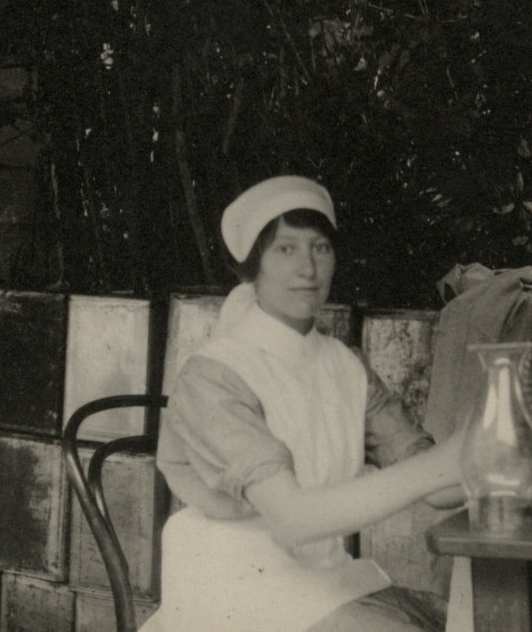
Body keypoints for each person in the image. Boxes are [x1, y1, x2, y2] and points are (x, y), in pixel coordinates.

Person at [143, 175, 465, 632]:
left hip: (321, 574)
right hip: (230, 584)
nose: (307, 269)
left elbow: (438, 484)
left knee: (450, 623)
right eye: (285, 249)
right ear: (254, 266)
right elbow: (293, 519)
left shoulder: (346, 368)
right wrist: (452, 461)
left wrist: (494, 446)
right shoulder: (214, 375)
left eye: (320, 248)